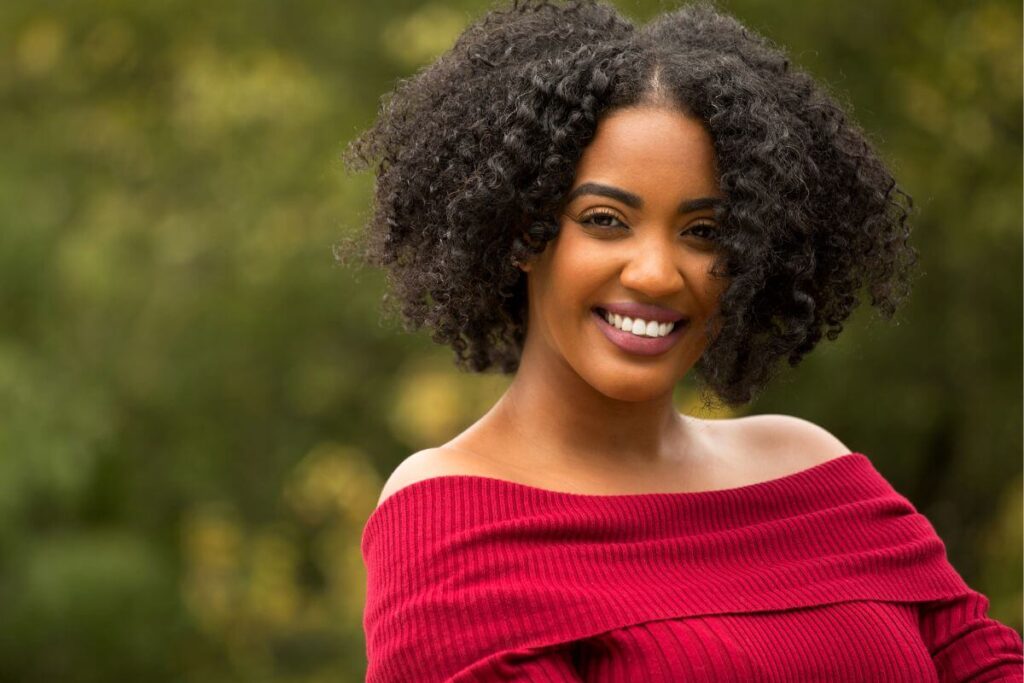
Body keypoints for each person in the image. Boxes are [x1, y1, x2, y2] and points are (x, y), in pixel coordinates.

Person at [340, 1, 1024, 680]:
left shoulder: (814, 471)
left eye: (704, 233)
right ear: (523, 231)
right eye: (605, 220)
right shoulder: (454, 520)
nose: (657, 274)